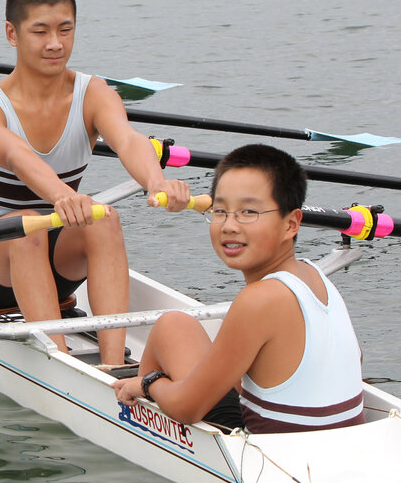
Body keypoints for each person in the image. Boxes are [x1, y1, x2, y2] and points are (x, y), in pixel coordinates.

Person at [0, 0, 191, 366]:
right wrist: (62, 195)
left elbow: (128, 140)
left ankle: (113, 363)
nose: (55, 43)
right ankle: (60, 364)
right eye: (40, 31)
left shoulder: (95, 94)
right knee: (28, 224)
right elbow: (16, 155)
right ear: (12, 34)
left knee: (104, 219)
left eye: (65, 29)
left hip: (52, 261)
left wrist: (157, 181)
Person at [113, 144, 366, 433]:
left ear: (291, 224)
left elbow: (186, 409)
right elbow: (356, 358)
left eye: (248, 212)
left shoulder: (258, 299)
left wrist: (150, 384)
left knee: (165, 341)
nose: (229, 226)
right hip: (346, 444)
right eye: (220, 210)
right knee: (174, 326)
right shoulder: (316, 276)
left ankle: (136, 406)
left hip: (271, 452)